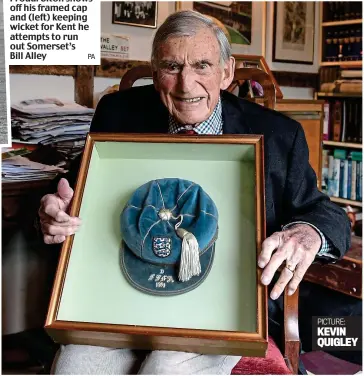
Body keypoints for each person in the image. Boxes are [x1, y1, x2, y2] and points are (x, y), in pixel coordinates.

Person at [38, 10, 351, 375]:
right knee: (75, 364)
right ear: (155, 72)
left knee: (166, 367)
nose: (187, 85)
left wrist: (307, 232)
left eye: (202, 65)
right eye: (172, 67)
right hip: (123, 296)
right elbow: (72, 191)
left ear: (227, 71)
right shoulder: (117, 113)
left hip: (225, 308)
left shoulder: (280, 134)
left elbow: (325, 214)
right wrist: (51, 210)